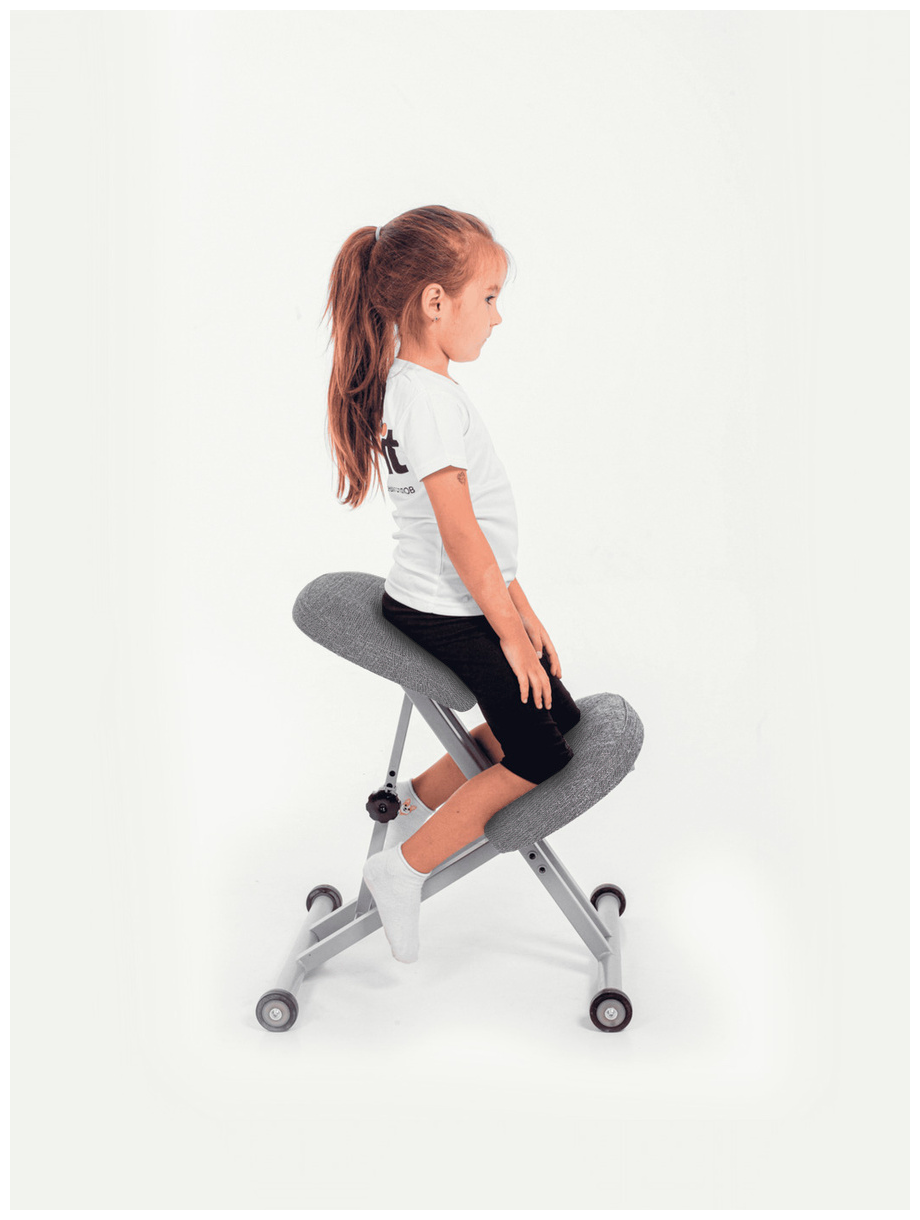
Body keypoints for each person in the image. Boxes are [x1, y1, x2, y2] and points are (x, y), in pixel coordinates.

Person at [322, 204, 581, 963]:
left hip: (449, 599)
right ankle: (403, 869)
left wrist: (523, 612)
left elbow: (480, 537)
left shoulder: (416, 387)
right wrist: (509, 637)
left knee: (556, 714)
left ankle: (412, 803)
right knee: (540, 755)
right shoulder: (428, 399)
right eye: (489, 298)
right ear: (436, 302)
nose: (498, 317)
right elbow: (460, 535)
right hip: (446, 609)